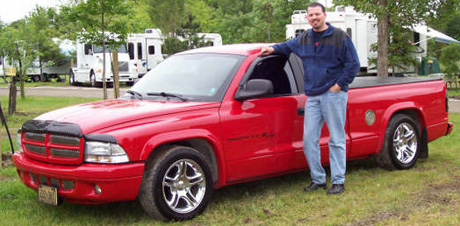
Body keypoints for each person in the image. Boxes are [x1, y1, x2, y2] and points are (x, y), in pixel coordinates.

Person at [260, 2, 360, 195]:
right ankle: (318, 179)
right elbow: (286, 46)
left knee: (336, 139)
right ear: (307, 18)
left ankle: (338, 181)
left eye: (317, 14)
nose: (314, 18)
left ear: (324, 15)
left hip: (333, 95)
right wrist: (271, 48)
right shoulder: (304, 38)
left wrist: (338, 86)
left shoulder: (339, 36)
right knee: (309, 140)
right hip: (312, 96)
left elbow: (353, 64)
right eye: (310, 15)